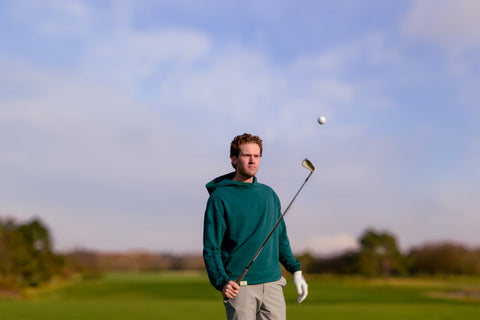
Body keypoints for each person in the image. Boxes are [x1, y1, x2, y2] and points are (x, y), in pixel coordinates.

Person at [203, 133, 308, 320]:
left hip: (273, 284)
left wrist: (296, 270)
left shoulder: (269, 195)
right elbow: (212, 249)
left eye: (257, 156)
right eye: (246, 156)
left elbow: (280, 239)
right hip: (240, 288)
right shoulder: (219, 198)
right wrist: (221, 281)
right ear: (234, 159)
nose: (252, 161)